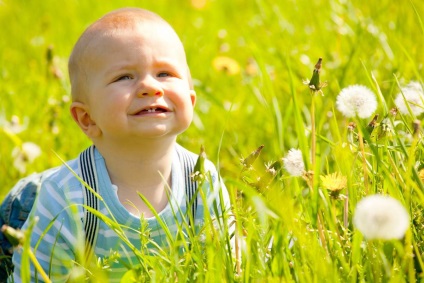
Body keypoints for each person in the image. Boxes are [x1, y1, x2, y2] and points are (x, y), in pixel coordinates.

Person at [11, 7, 231, 282]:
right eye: (124, 77)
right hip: (22, 215)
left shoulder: (201, 182)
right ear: (87, 118)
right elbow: (32, 277)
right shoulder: (65, 199)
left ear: (191, 100)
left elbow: (227, 269)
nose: (151, 87)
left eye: (164, 73)